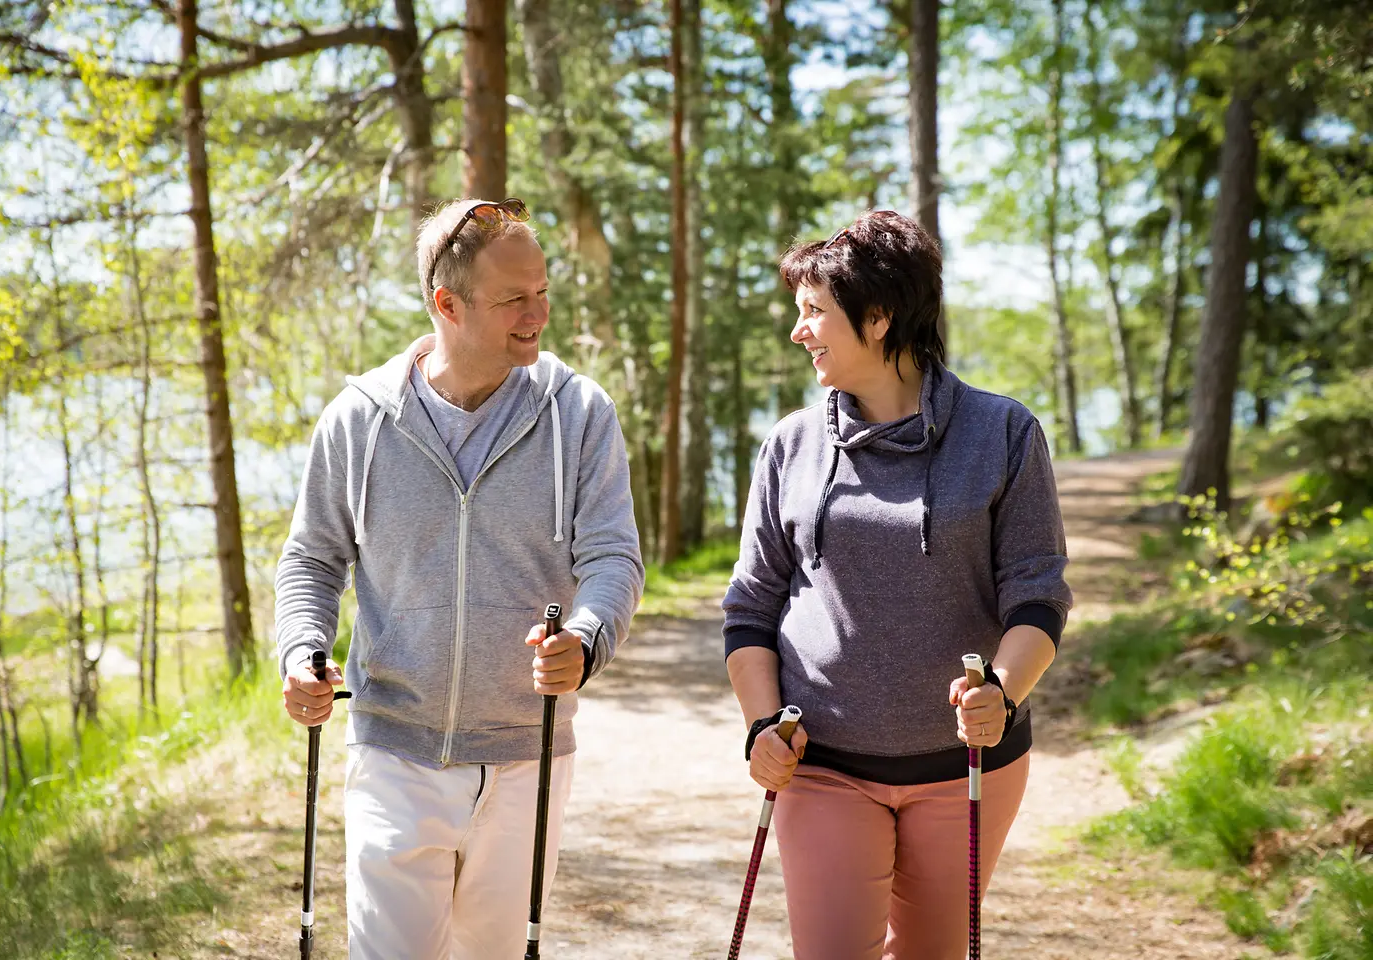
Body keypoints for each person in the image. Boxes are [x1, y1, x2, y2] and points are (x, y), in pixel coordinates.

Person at [274, 198, 644, 960]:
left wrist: (586, 637)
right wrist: (299, 652)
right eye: (515, 298)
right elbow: (311, 560)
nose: (539, 313)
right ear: (447, 304)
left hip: (528, 755)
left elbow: (612, 555)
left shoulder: (578, 413)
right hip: (395, 753)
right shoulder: (358, 420)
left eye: (543, 291)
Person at [722, 209, 1073, 960]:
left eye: (814, 311)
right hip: (823, 764)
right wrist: (759, 726)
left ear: (878, 318)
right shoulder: (791, 445)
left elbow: (1038, 594)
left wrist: (1003, 694)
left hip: (969, 768)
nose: (799, 331)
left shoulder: (1004, 434)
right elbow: (750, 608)